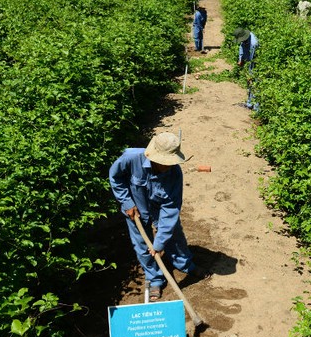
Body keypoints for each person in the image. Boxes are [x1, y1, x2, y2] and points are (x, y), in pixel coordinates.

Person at [109, 132, 209, 302]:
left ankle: (185, 265)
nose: (167, 166)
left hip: (159, 208)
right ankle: (155, 279)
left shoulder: (175, 174)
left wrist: (159, 243)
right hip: (135, 209)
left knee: (175, 235)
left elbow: (170, 209)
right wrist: (127, 203)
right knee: (142, 244)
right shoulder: (131, 158)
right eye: (164, 162)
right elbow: (116, 178)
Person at [233, 27, 259, 109]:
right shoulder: (244, 39)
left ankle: (256, 108)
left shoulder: (254, 44)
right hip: (250, 62)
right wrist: (241, 59)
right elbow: (241, 46)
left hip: (256, 63)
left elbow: (252, 61)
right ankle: (249, 103)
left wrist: (250, 75)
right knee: (250, 83)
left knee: (255, 83)